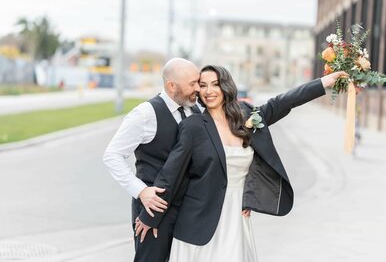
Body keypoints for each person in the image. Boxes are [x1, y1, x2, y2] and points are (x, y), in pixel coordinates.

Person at [135, 65, 348, 261]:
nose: (209, 91)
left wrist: (325, 82)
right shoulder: (193, 126)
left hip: (237, 218)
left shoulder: (246, 116)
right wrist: (149, 217)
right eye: (203, 85)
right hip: (199, 220)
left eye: (215, 84)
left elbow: (285, 102)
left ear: (225, 86)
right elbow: (171, 173)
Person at [103, 57, 201, 262]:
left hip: (187, 210)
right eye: (192, 83)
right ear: (171, 85)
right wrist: (140, 191)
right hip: (154, 209)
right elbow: (112, 155)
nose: (198, 88)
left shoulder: (194, 109)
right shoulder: (145, 114)